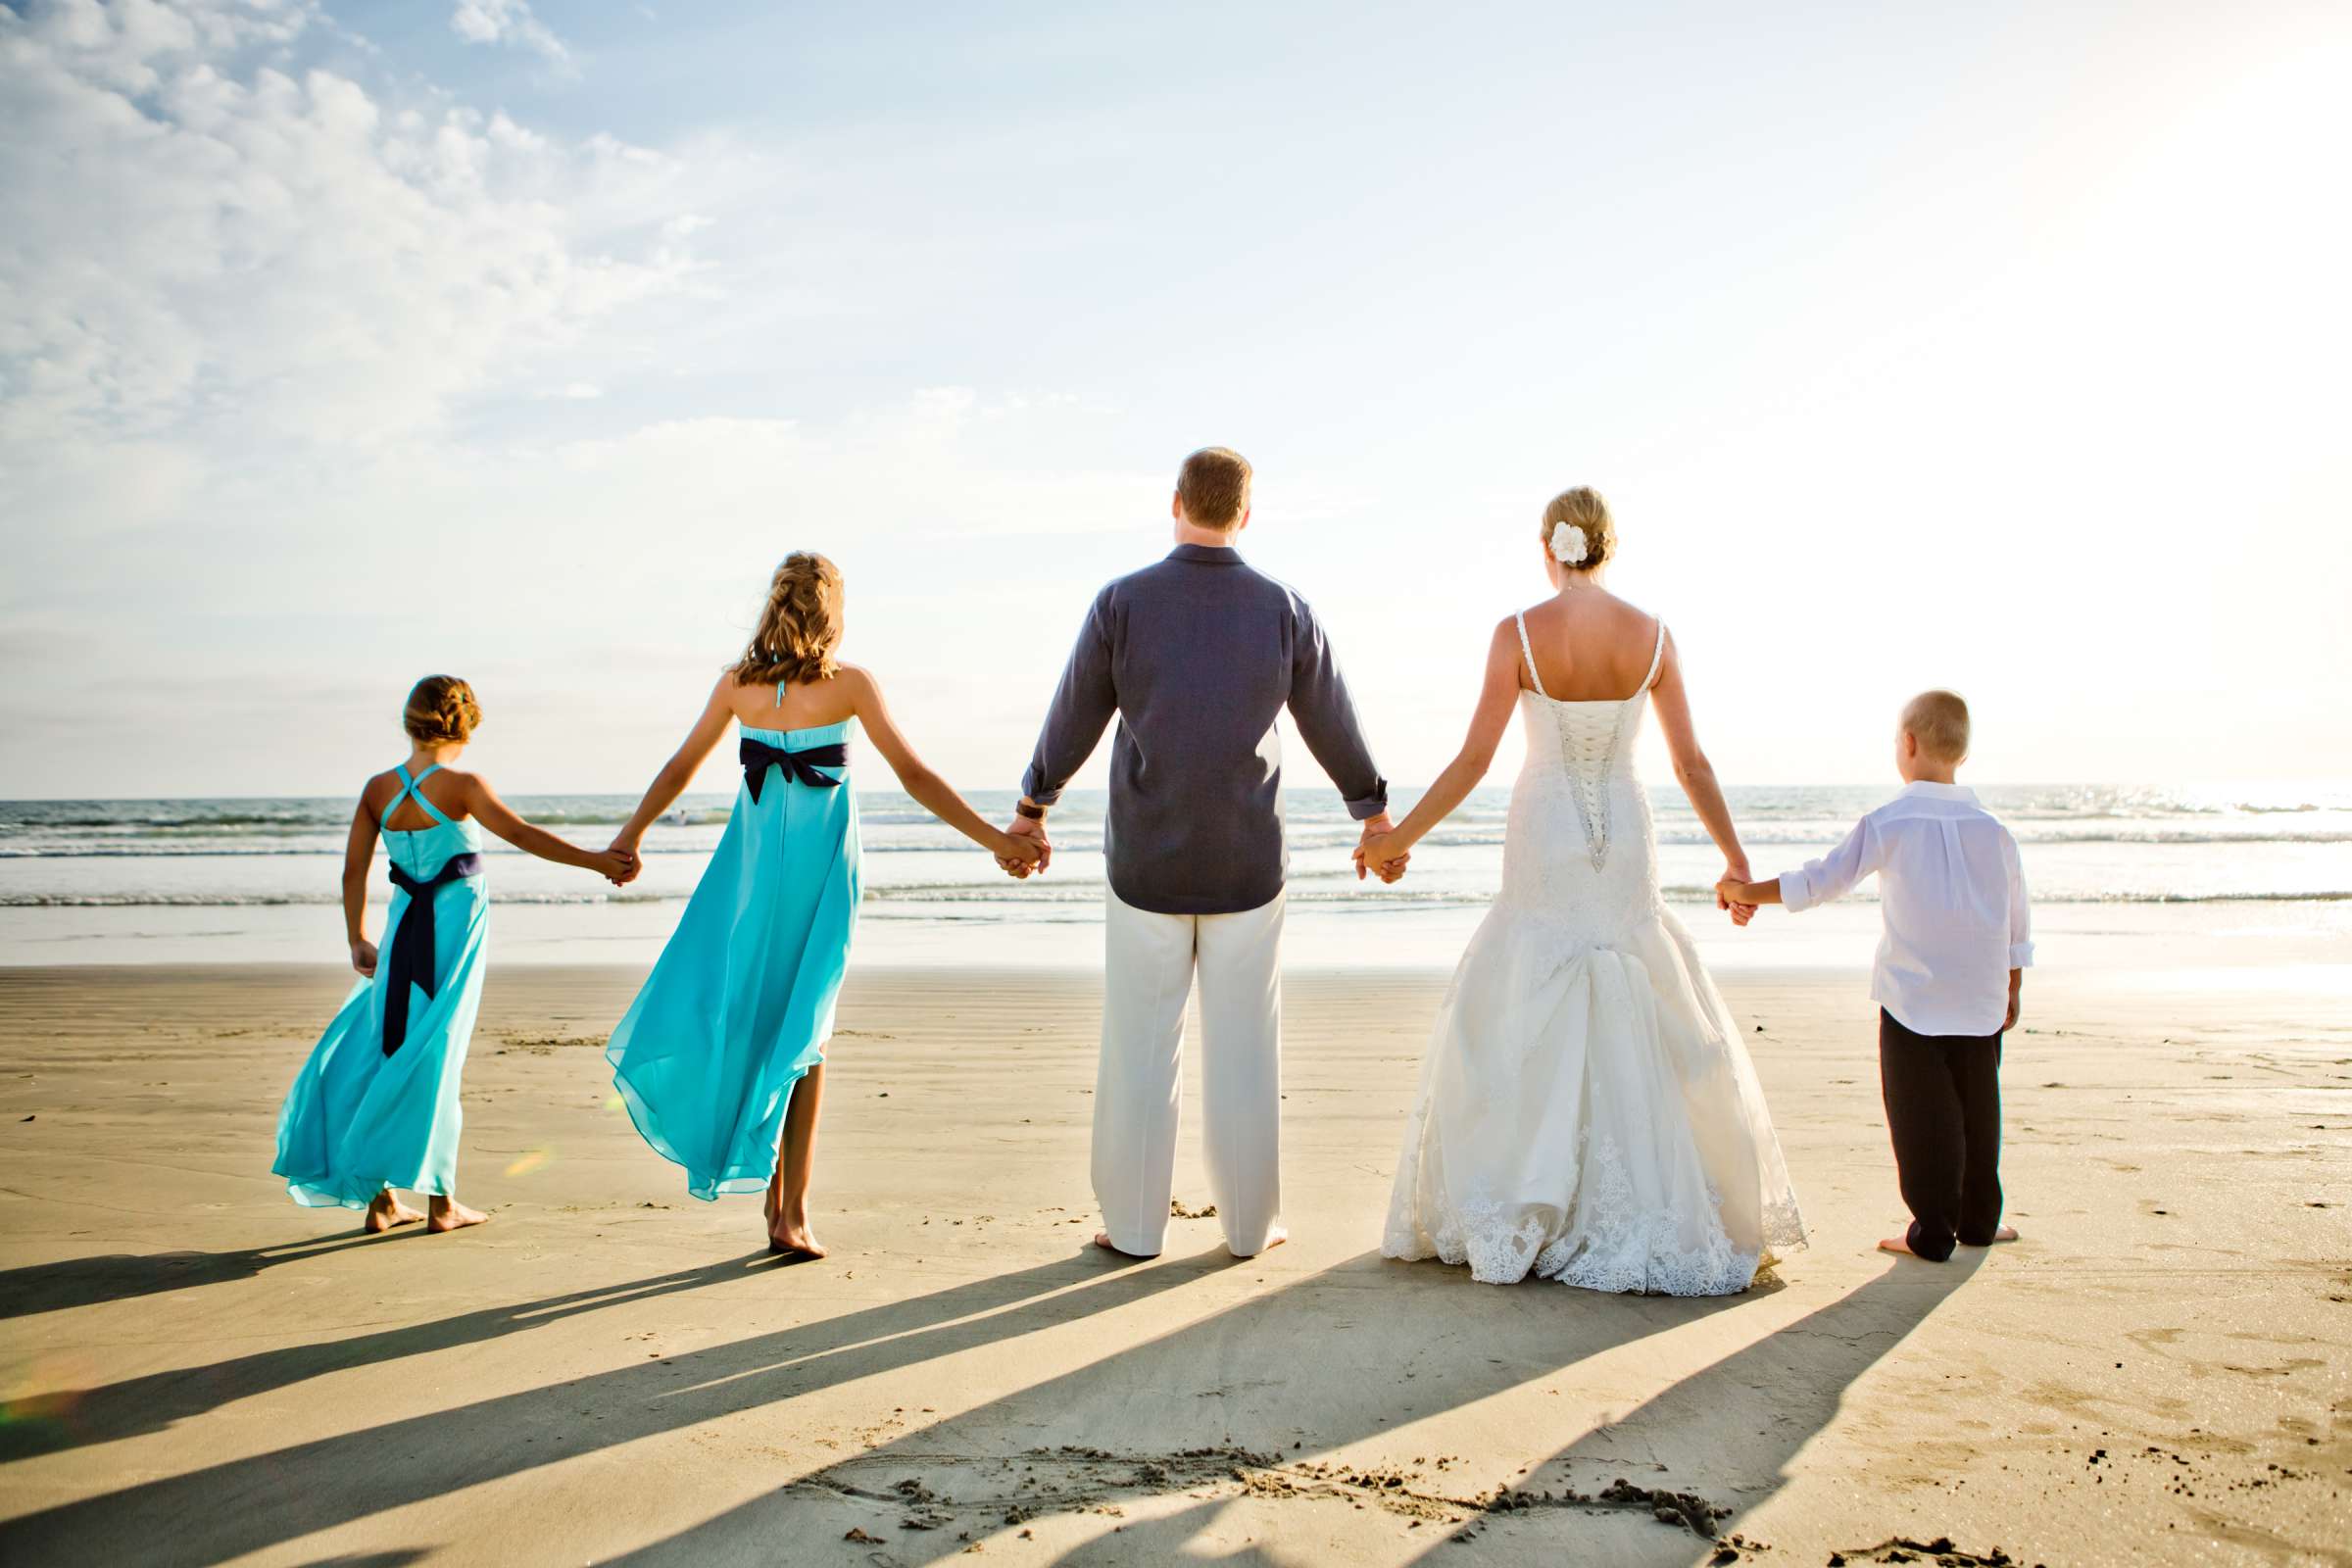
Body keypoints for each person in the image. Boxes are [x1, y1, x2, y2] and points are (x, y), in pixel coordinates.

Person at [1364, 487, 1803, 1294]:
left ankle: (1531, 1198)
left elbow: (1472, 760)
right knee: (1638, 975)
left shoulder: (1518, 633)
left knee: (1526, 999)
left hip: (1544, 833)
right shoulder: (1655, 636)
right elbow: (1690, 763)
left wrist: (1399, 838)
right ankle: (1647, 1200)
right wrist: (1737, 865)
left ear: (1548, 546)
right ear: (1609, 546)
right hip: (1626, 837)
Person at [1006, 446, 1398, 1260]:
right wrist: (1373, 813)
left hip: (1146, 859)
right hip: (1249, 861)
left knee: (1142, 1048)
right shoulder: (1284, 607)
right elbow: (1332, 722)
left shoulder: (1122, 602)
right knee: (1246, 1047)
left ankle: (1137, 1230)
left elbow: (1073, 715)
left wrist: (1033, 804)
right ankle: (1252, 1229)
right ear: (1245, 514)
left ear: (1175, 500)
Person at [603, 552, 1041, 1255]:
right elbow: (915, 775)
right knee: (807, 1030)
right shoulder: (850, 685)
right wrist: (995, 838)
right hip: (816, 879)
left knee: (765, 1021)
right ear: (832, 610)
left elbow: (679, 767)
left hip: (747, 880)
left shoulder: (735, 687)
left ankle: (779, 1205)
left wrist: (629, 837)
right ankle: (791, 1213)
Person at [274, 676, 632, 1231]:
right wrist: (597, 861)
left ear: (409, 721)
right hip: (454, 935)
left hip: (399, 932)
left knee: (386, 1047)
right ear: (465, 723)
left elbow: (352, 870)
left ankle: (382, 1202)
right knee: (439, 1053)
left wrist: (356, 937)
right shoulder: (462, 784)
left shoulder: (377, 789)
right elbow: (522, 835)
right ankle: (442, 1203)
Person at [1716, 689, 2031, 1261]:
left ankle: (1932, 1230)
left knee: (1919, 1114)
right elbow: (2016, 916)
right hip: (1981, 996)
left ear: (1907, 745)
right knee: (1980, 1106)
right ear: (1962, 754)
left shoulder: (1890, 821)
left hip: (1912, 998)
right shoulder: (1994, 830)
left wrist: (1746, 892)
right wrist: (2013, 983)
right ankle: (1981, 1222)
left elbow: (1822, 881)